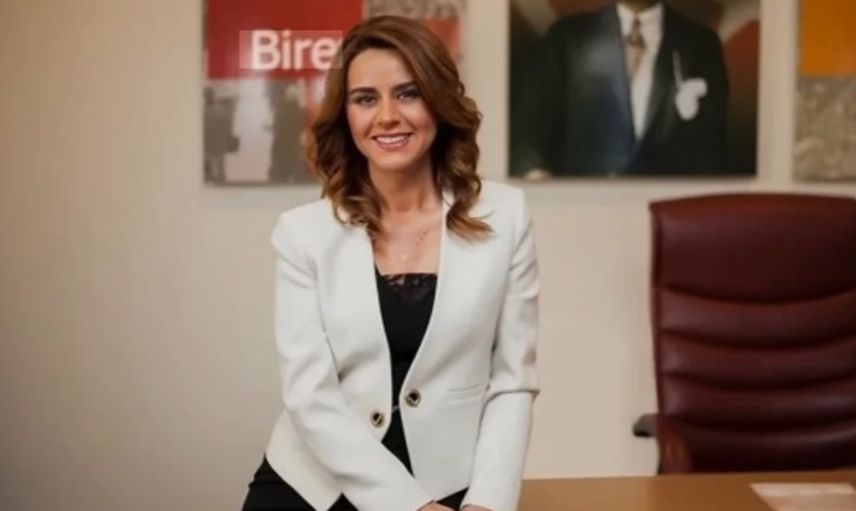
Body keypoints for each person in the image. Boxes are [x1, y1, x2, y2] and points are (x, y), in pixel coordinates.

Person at [241, 15, 540, 511]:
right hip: (318, 481)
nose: (387, 116)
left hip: (447, 478)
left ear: (438, 102)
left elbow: (512, 382)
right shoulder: (302, 234)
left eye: (408, 93)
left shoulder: (506, 216)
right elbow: (310, 396)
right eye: (365, 99)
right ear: (346, 116)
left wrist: (486, 503)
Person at [511, 0, 729, 177]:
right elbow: (529, 131)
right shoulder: (567, 37)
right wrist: (537, 176)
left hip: (667, 206)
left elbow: (712, 145)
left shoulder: (700, 43)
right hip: (581, 206)